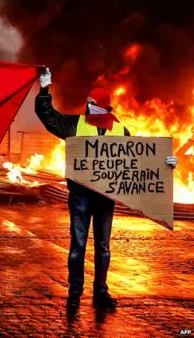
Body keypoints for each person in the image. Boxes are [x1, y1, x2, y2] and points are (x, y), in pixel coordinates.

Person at [35, 68, 178, 311]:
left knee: (103, 246)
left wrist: (165, 164)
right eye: (87, 103)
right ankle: (75, 293)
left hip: (105, 197)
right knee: (78, 244)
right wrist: (44, 89)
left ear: (104, 106)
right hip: (80, 194)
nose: (88, 107)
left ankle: (101, 292)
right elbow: (48, 116)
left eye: (93, 104)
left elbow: (138, 160)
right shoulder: (75, 124)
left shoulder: (120, 131)